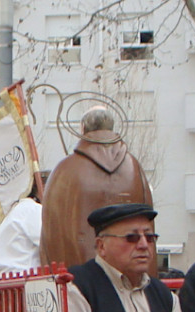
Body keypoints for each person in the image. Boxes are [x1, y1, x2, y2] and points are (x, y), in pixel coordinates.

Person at [40, 105, 154, 270]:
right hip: (129, 279)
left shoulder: (65, 169)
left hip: (77, 282)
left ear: (83, 129)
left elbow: (50, 235)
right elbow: (148, 224)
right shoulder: (134, 167)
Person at [0, 176, 42, 274]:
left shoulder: (16, 211)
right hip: (24, 279)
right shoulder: (33, 210)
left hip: (6, 278)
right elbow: (50, 244)